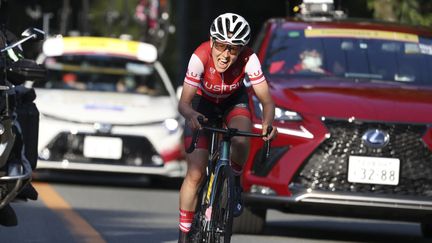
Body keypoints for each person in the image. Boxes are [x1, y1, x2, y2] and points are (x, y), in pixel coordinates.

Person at [177, 13, 277, 242]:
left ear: (241, 50)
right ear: (212, 42)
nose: (225, 55)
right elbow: (184, 103)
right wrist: (192, 115)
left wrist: (268, 123)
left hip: (233, 102)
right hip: (201, 104)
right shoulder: (200, 56)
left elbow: (267, 100)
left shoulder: (249, 59)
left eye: (233, 49)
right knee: (195, 173)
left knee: (241, 140)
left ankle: (234, 185)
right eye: (221, 46)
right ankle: (184, 234)